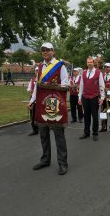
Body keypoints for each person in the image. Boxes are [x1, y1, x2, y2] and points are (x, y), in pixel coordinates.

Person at [28, 42, 69, 175]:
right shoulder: (40, 66)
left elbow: (65, 84)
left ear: (53, 51)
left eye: (47, 50)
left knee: (59, 135)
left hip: (55, 104)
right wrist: (32, 100)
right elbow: (37, 87)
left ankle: (63, 163)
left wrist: (52, 85)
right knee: (43, 134)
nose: (45, 52)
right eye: (43, 50)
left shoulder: (60, 66)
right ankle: (45, 159)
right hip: (41, 104)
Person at [78, 56, 105, 141]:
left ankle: (95, 133)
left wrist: (102, 97)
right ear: (86, 63)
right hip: (85, 97)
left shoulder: (98, 73)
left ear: (93, 63)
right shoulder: (84, 73)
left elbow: (101, 85)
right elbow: (81, 86)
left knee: (95, 116)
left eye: (90, 62)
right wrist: (79, 97)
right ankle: (86, 132)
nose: (89, 64)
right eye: (88, 62)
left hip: (94, 97)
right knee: (86, 116)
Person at [27, 67, 39, 136]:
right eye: (36, 71)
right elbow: (28, 88)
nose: (37, 72)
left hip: (40, 100)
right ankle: (35, 130)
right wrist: (30, 90)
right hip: (33, 99)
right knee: (32, 115)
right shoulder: (32, 80)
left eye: (38, 71)